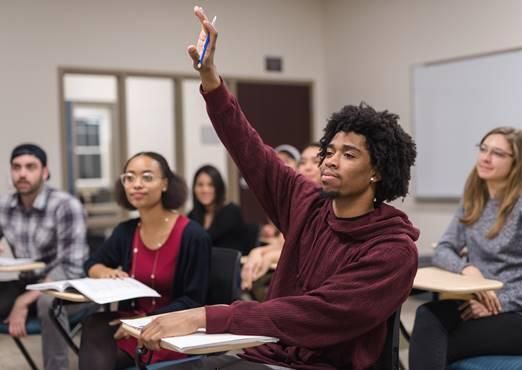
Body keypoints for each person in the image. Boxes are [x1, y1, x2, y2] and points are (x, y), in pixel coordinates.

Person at [137, 7, 419, 370]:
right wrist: (210, 79)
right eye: (329, 150)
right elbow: (251, 150)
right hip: (267, 354)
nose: (330, 160)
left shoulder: (393, 250)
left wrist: (205, 317)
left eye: (348, 154)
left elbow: (316, 313)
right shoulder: (308, 204)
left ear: (377, 171)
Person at [409, 127, 522, 370]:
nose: (485, 158)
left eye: (497, 153)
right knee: (427, 315)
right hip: (481, 307)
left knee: (434, 342)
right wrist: (467, 269)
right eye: (483, 149)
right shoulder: (474, 198)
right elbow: (444, 248)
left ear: (517, 162)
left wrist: (499, 301)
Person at [78, 152, 211, 370]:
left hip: (172, 329)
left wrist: (145, 321)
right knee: (94, 323)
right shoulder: (126, 231)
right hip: (132, 322)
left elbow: (194, 301)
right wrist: (103, 271)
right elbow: (92, 262)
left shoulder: (193, 236)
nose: (136, 185)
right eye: (129, 178)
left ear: (165, 184)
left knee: (101, 353)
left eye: (147, 177)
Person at [0, 143, 88, 370]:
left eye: (30, 167)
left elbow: (71, 267)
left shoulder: (66, 206)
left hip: (67, 285)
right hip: (26, 282)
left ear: (45, 172)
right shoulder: (4, 205)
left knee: (48, 303)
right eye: (16, 167)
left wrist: (23, 301)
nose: (22, 173)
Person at [241, 143, 322, 292]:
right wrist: (257, 253)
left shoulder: (328, 207)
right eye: (303, 162)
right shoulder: (298, 204)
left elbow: (305, 251)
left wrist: (269, 257)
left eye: (315, 162)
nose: (307, 167)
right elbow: (282, 244)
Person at [188, 164, 250, 254]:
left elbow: (205, 242)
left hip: (229, 266)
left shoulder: (231, 212)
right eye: (200, 185)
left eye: (210, 185)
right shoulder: (192, 216)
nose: (205, 189)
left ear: (219, 188)